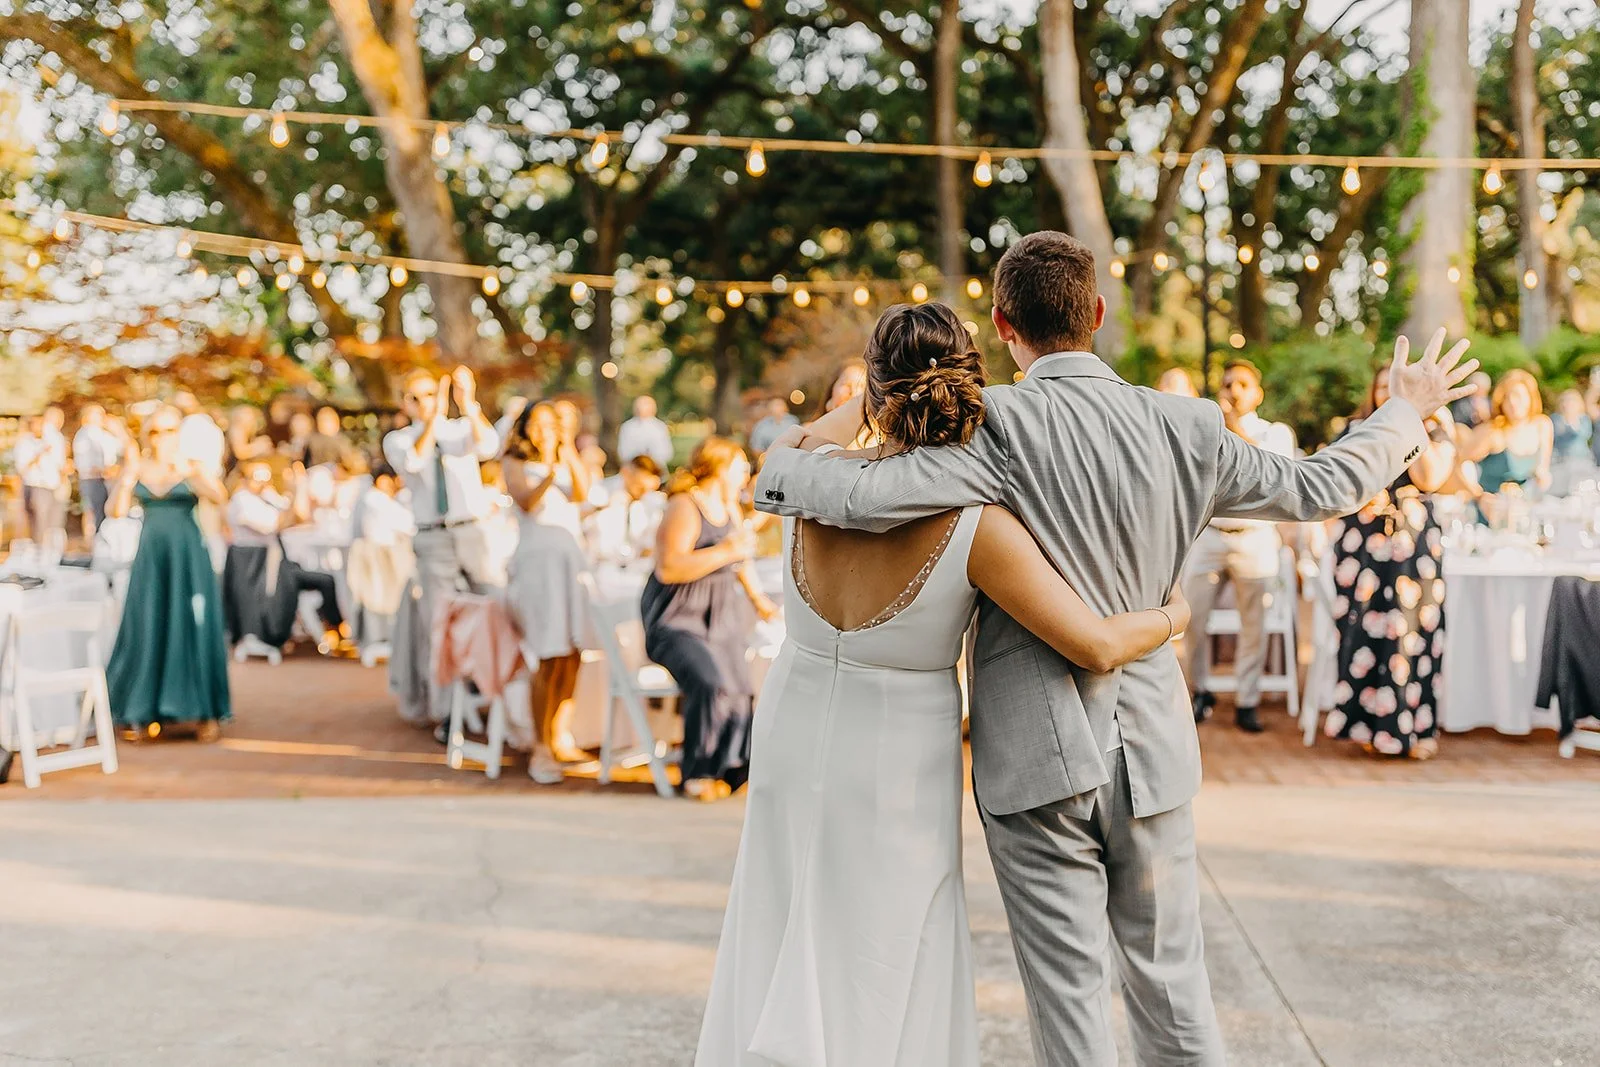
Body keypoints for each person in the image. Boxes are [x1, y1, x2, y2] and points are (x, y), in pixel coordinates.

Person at [754, 230, 1474, 1064]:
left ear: (1003, 324)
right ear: (1096, 313)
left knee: (1070, 1008)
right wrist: (1403, 412)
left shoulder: (988, 426)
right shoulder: (1189, 425)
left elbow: (859, 494)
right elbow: (1322, 485)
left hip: (1034, 758)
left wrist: (785, 462)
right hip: (1154, 747)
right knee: (1176, 997)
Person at [694, 302, 1191, 1066]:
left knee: (779, 913)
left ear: (876, 389)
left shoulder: (806, 480)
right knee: (890, 941)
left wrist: (868, 401)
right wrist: (1171, 614)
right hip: (898, 755)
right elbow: (1095, 644)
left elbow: (797, 445)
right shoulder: (977, 524)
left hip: (793, 730)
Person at [1325, 369, 1455, 760]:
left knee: (1412, 635)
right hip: (1363, 545)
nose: (1390, 393)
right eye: (1383, 387)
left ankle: (1416, 728)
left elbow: (1429, 478)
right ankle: (1366, 725)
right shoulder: (1356, 429)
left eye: (1398, 387)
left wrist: (1411, 422)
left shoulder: (1434, 430)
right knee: (1362, 633)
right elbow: (1334, 482)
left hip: (1413, 547)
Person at [641, 437, 777, 801]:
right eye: (739, 465)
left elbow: (740, 560)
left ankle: (733, 770)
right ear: (718, 467)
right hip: (678, 620)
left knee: (742, 688)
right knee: (711, 682)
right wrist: (723, 552)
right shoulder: (684, 505)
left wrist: (760, 601)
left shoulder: (730, 507)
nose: (745, 472)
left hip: (719, 619)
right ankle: (698, 771)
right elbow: (669, 568)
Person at [382, 366, 502, 727]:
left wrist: (469, 404)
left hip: (471, 531)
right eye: (415, 397)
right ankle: (447, 712)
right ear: (405, 403)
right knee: (440, 623)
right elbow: (414, 462)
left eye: (430, 395)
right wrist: (433, 420)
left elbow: (489, 446)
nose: (424, 403)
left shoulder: (461, 429)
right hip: (433, 537)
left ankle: (503, 702)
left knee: (496, 606)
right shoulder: (398, 439)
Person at [1183, 359, 1297, 734]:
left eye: (1242, 384)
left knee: (1254, 624)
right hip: (1210, 535)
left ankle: (1247, 700)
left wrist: (1232, 426)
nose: (1233, 390)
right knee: (1192, 618)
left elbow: (1268, 471)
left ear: (1257, 394)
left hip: (1255, 536)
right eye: (1227, 383)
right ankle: (1200, 692)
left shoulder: (1274, 432)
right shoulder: (1206, 430)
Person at [105, 405, 231, 740]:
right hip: (151, 557)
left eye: (169, 430)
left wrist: (191, 473)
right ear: (147, 436)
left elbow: (219, 497)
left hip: (187, 557)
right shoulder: (137, 466)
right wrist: (127, 477)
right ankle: (147, 709)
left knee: (193, 624)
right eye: (155, 431)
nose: (162, 438)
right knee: (150, 624)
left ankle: (206, 712)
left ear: (179, 433)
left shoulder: (191, 465)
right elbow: (114, 511)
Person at [502, 402, 595, 784]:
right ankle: (540, 745)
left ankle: (560, 736)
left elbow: (582, 493)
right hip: (538, 568)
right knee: (547, 652)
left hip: (570, 563)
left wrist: (566, 450)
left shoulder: (565, 454)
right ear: (525, 427)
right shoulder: (515, 460)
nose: (544, 430)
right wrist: (550, 471)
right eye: (537, 424)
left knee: (572, 654)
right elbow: (526, 501)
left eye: (550, 424)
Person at [222, 460, 346, 652]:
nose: (263, 482)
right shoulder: (242, 500)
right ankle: (261, 637)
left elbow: (298, 515)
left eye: (267, 476)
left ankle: (332, 629)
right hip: (252, 561)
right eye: (257, 477)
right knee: (257, 601)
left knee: (322, 582)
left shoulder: (267, 496)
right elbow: (277, 524)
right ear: (244, 479)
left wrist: (297, 488)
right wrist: (294, 494)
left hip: (275, 562)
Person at [1461, 369, 1552, 495]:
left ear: (1531, 397)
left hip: (1526, 502)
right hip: (1493, 501)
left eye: (1518, 396)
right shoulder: (1493, 431)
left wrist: (1543, 477)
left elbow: (1543, 467)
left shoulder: (1542, 425)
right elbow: (1460, 462)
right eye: (1506, 397)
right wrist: (1478, 495)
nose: (1512, 402)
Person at [586, 454, 666, 563]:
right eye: (640, 487)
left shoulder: (652, 504)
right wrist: (603, 507)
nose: (643, 494)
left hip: (635, 565)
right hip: (600, 563)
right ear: (626, 473)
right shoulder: (601, 492)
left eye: (648, 489)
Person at [13, 408, 68, 542]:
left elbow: (59, 463)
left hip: (50, 485)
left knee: (50, 519)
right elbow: (22, 468)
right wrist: (40, 453)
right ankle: (37, 544)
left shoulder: (53, 439)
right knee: (37, 519)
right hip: (35, 484)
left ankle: (45, 545)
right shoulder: (25, 442)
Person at [73, 405, 123, 538]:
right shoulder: (85, 434)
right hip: (92, 479)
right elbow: (85, 463)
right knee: (92, 513)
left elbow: (120, 448)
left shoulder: (103, 434)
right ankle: (92, 542)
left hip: (105, 479)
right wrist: (104, 470)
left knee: (101, 513)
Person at [1549, 388, 1594, 495]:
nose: (1568, 404)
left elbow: (1585, 434)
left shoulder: (1583, 419)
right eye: (1565, 401)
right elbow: (1554, 436)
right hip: (1560, 460)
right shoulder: (1555, 419)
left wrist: (1573, 422)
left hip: (1581, 460)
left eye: (1571, 401)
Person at [617, 395, 673, 471]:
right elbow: (623, 452)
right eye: (639, 405)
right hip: (633, 469)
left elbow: (666, 451)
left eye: (646, 404)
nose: (641, 408)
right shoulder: (627, 427)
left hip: (655, 469)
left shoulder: (660, 427)